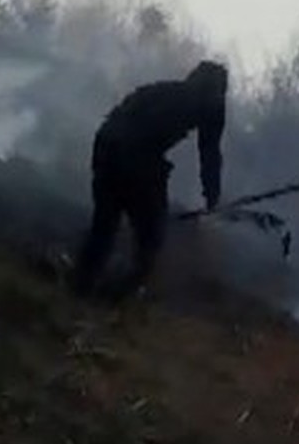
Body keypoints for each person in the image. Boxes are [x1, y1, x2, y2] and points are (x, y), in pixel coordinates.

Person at [70, 59, 228, 300]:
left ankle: (85, 286)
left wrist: (211, 194)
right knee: (147, 236)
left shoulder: (173, 94)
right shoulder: (193, 103)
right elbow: (207, 151)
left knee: (106, 226)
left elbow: (209, 152)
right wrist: (211, 195)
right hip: (124, 153)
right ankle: (107, 293)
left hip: (108, 146)